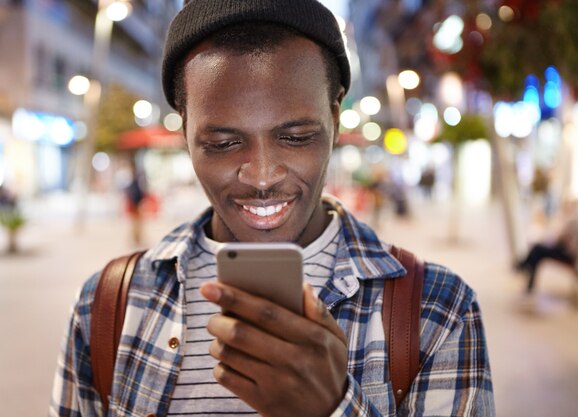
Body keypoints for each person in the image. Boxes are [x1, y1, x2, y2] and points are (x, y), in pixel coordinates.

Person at [49, 1, 494, 416]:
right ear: (185, 134)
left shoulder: (436, 312)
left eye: (296, 137)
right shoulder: (106, 306)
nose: (262, 177)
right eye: (222, 144)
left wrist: (332, 407)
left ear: (335, 119)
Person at [516, 202, 578, 292]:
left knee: (538, 250)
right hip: (567, 250)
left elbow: (563, 238)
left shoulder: (574, 219)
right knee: (538, 250)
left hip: (570, 254)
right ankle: (526, 267)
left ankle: (525, 265)